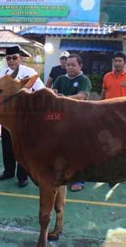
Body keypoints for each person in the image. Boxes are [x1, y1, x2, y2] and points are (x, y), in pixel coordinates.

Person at [0, 46, 45, 187]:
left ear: (20, 58)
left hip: (23, 118)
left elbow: (40, 91)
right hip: (7, 116)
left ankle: (22, 177)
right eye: (8, 58)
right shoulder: (2, 73)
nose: (11, 61)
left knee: (22, 148)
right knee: (7, 146)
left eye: (14, 57)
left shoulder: (29, 72)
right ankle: (8, 171)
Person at [52, 54, 92, 192]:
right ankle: (63, 175)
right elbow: (54, 91)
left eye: (73, 65)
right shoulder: (60, 79)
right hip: (60, 120)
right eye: (68, 64)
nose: (69, 67)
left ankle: (79, 179)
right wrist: (54, 93)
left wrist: (64, 98)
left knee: (77, 150)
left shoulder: (84, 80)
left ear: (80, 66)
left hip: (78, 120)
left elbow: (82, 96)